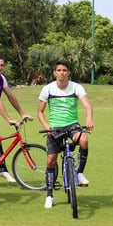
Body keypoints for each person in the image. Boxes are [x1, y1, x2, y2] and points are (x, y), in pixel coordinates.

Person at [37, 60, 94, 209]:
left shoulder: (76, 87)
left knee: (84, 140)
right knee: (50, 161)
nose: (61, 73)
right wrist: (47, 127)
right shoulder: (48, 89)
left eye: (64, 70)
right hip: (55, 127)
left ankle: (80, 173)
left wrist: (88, 118)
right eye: (59, 70)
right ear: (55, 72)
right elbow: (39, 112)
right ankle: (49, 195)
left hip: (72, 125)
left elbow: (87, 105)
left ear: (68, 73)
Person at [0, 54, 33, 183]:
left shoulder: (1, 78)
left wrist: (22, 113)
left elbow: (10, 95)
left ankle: (2, 170)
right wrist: (9, 119)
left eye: (1, 65)